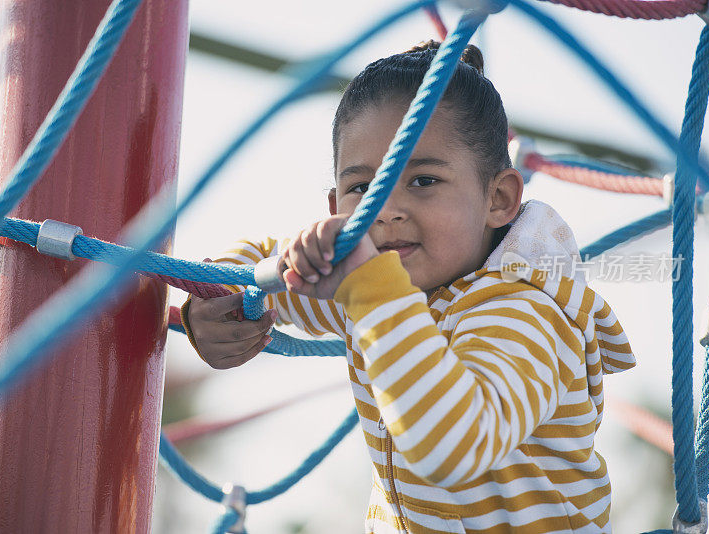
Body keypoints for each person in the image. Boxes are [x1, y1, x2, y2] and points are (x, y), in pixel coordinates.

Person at [182, 41, 635, 533]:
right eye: (362, 189)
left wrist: (373, 291)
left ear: (499, 198)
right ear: (336, 205)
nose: (385, 210)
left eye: (422, 181)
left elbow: (456, 447)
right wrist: (211, 307)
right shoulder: (374, 289)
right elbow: (256, 264)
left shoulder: (529, 312)